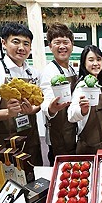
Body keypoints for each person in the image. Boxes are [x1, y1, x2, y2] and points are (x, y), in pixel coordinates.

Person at [0, 22, 42, 166]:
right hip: (5, 139)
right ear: (4, 43)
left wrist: (32, 110)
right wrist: (8, 113)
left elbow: (38, 105)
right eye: (16, 42)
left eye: (26, 43)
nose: (21, 48)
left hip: (30, 136)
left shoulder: (33, 73)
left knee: (34, 172)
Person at [40, 23, 77, 165]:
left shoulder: (72, 69)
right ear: (50, 46)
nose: (62, 46)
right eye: (57, 42)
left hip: (72, 130)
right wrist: (51, 108)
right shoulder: (49, 71)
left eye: (66, 42)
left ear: (72, 45)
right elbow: (46, 100)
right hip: (59, 133)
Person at [68, 45, 102, 154]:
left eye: (99, 59)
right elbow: (71, 115)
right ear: (84, 63)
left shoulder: (99, 84)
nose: (96, 63)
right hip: (88, 146)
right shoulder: (82, 86)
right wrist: (82, 111)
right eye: (91, 60)